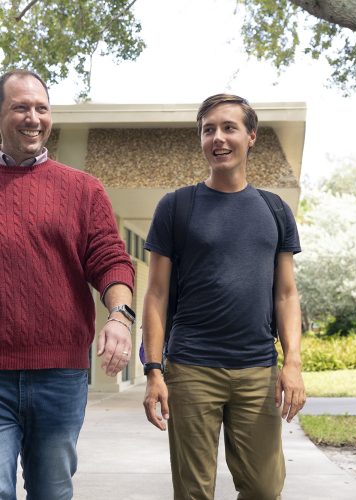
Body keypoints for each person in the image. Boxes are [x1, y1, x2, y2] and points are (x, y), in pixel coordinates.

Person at [142, 93, 306, 499]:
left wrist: (294, 363)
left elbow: (286, 294)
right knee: (194, 491)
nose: (218, 138)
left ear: (251, 137)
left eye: (229, 128)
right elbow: (156, 295)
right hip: (192, 368)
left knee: (265, 489)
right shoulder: (177, 206)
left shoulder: (275, 210)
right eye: (208, 130)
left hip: (257, 369)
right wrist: (153, 370)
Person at [0, 69, 135, 499]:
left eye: (41, 108)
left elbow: (112, 260)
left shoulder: (83, 190)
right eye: (20, 106)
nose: (33, 118)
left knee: (52, 492)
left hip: (60, 375)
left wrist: (119, 316)